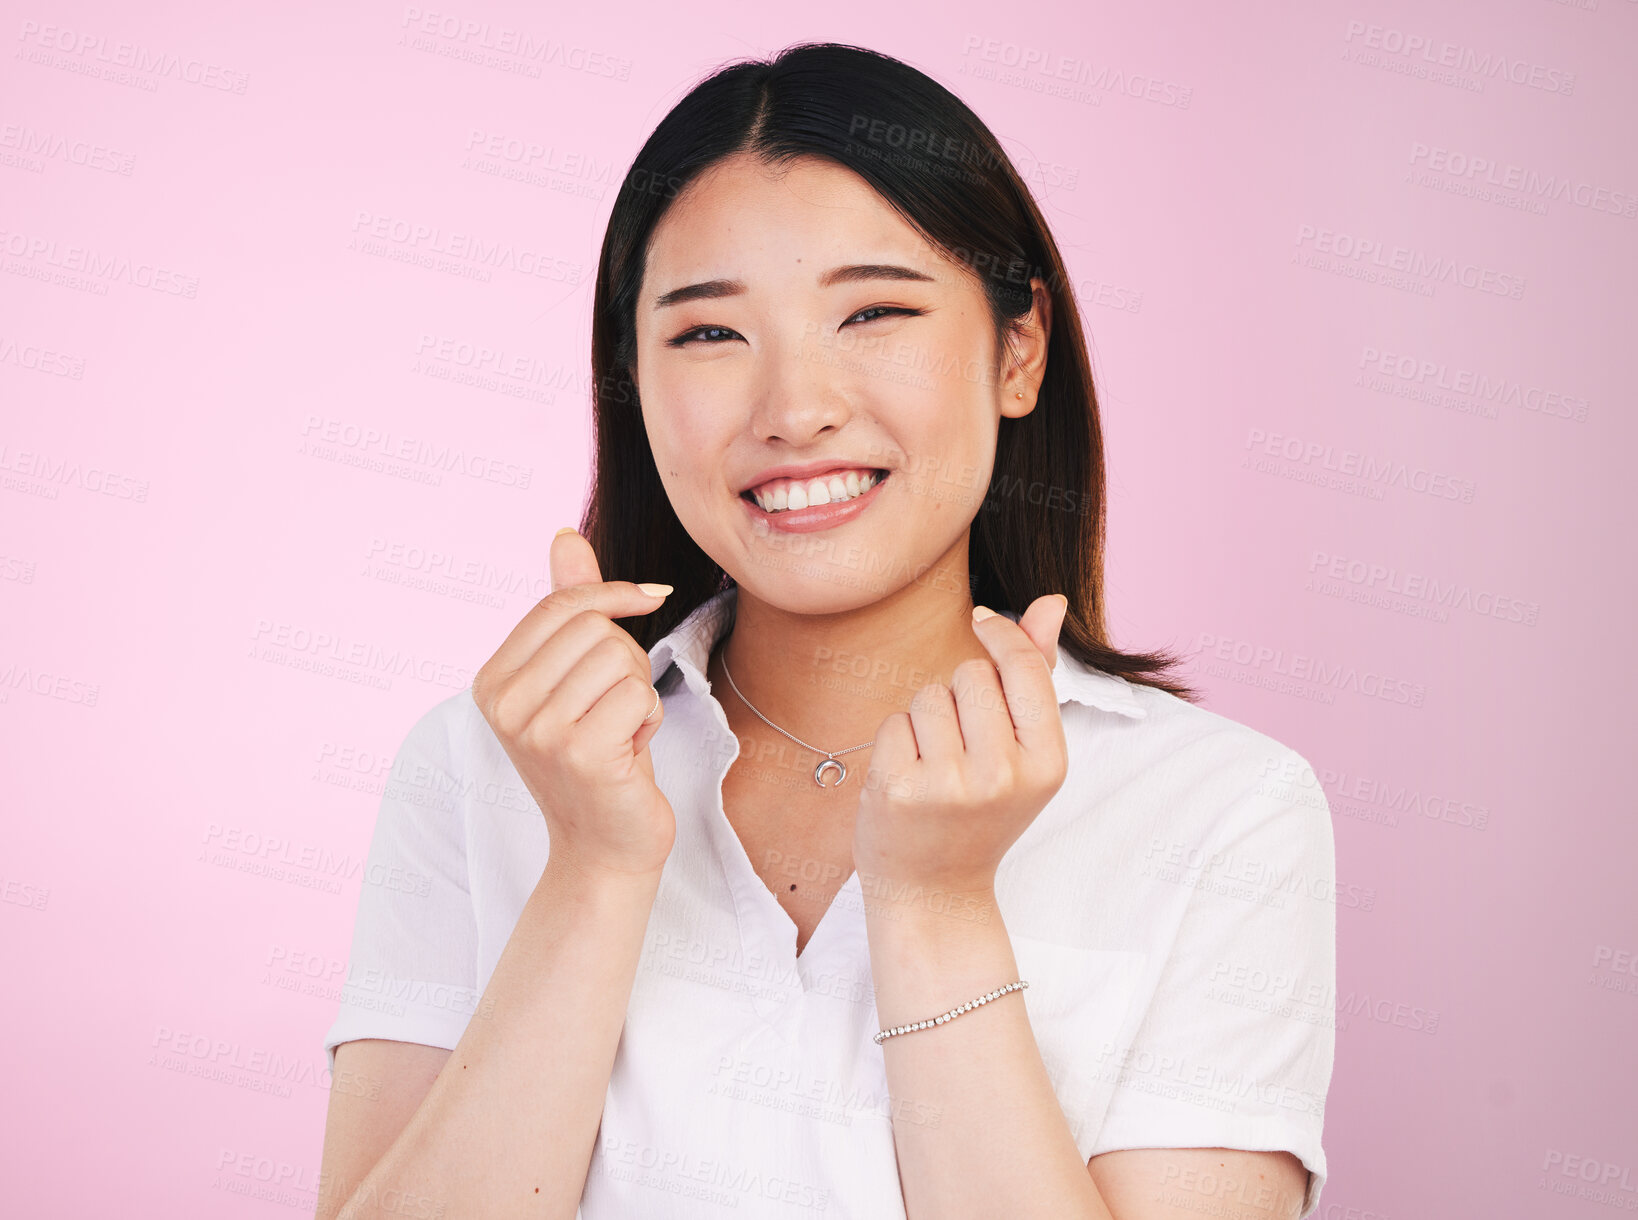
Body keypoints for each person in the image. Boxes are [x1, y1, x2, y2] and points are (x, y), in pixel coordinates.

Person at [316, 42, 1336, 1220]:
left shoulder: (1218, 810)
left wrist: (939, 909)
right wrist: (591, 872)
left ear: (1019, 349)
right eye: (708, 334)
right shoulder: (478, 767)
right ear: (631, 379)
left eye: (874, 312)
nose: (795, 408)